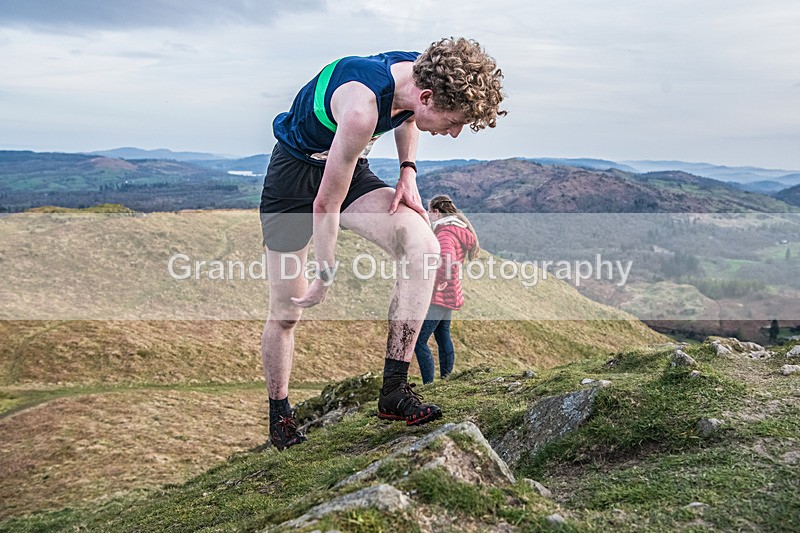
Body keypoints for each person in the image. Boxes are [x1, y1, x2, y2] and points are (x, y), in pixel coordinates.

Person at [260, 37, 506, 450]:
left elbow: (410, 116)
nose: (456, 132)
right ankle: (280, 416)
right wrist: (324, 272)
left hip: (348, 168)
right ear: (428, 96)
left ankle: (394, 389)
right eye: (455, 121)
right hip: (293, 178)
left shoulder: (420, 71)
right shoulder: (360, 109)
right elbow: (325, 203)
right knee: (287, 312)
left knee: (423, 247)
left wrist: (407, 170)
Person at [414, 195, 480, 384]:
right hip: (452, 291)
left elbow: (447, 261)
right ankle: (447, 379)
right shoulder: (457, 229)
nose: (428, 214)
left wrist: (440, 281)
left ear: (436, 211)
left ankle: (429, 385)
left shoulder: (445, 233)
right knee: (443, 334)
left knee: (419, 341)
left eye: (429, 211)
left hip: (441, 294)